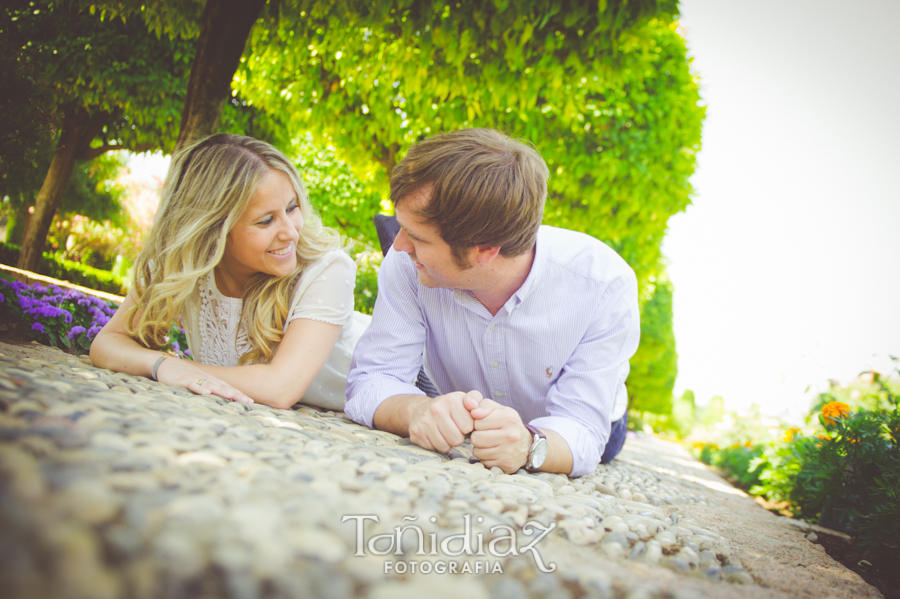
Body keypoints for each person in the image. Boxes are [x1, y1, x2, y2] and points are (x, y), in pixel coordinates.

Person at [345, 128, 640, 477]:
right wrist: (416, 411)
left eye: (418, 237)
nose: (399, 246)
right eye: (402, 227)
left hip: (581, 419)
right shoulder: (409, 265)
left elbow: (585, 432)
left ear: (485, 250)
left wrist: (530, 446)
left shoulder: (604, 284)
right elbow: (372, 379)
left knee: (601, 444)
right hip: (467, 412)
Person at [91, 133, 367, 411]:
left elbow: (280, 388)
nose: (291, 231)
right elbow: (107, 342)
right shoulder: (180, 265)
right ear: (213, 229)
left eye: (292, 207)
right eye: (266, 220)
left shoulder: (326, 268)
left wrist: (184, 369)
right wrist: (161, 365)